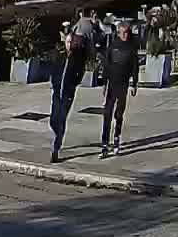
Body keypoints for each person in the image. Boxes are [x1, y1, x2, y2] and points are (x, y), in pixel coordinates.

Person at [50, 10, 100, 162]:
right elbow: (54, 70)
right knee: (53, 119)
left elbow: (80, 73)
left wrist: (73, 85)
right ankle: (57, 135)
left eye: (71, 42)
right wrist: (54, 83)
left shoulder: (77, 58)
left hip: (67, 93)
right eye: (67, 42)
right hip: (57, 91)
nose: (69, 44)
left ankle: (56, 147)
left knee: (61, 119)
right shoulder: (60, 55)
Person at [98, 19, 141, 157]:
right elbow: (106, 64)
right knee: (107, 114)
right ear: (118, 33)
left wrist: (134, 83)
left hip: (123, 84)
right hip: (111, 84)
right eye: (123, 33)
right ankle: (104, 144)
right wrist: (104, 83)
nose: (125, 35)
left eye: (127, 33)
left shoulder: (131, 47)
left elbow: (135, 67)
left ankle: (116, 139)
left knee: (119, 114)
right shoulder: (113, 46)